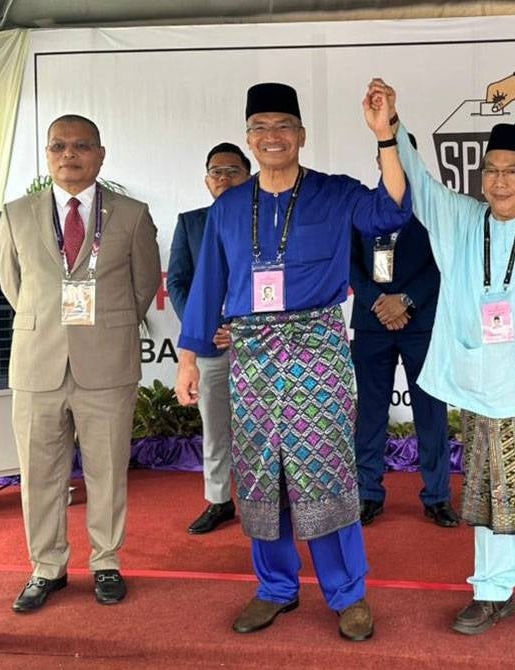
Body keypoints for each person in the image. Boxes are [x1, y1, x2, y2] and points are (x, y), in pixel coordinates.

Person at [365, 77, 515, 643]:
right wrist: (389, 129)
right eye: (492, 171)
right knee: (484, 489)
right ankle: (493, 591)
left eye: (513, 172)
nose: (500, 181)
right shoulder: (459, 217)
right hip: (480, 383)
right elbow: (418, 182)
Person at [174, 82, 411, 641]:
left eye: (283, 126)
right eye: (260, 128)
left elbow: (392, 209)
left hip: (317, 353)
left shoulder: (334, 193)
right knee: (262, 476)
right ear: (249, 139)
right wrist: (187, 359)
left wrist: (385, 135)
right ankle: (275, 588)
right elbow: (207, 287)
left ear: (301, 135)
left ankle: (347, 593)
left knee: (324, 470)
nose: (272, 136)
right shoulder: (229, 207)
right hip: (252, 358)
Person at [0, 114, 161, 612]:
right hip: (37, 363)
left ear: (100, 155)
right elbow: (13, 286)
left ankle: (106, 561)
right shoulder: (17, 214)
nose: (70, 154)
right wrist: (51, 324)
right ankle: (47, 567)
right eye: (59, 146)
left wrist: (102, 329)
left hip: (107, 364)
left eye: (82, 145)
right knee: (39, 473)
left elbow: (143, 286)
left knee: (107, 470)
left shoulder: (131, 215)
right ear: (48, 155)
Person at [349, 134, 458, 529]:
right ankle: (368, 493)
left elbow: (444, 264)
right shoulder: (361, 205)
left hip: (420, 323)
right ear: (379, 160)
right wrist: (379, 301)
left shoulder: (433, 208)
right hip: (372, 322)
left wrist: (406, 301)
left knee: (430, 412)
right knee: (370, 412)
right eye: (387, 156)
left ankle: (437, 496)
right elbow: (348, 263)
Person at [167, 142, 251, 535]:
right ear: (206, 180)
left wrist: (240, 326)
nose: (224, 178)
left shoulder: (265, 221)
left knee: (262, 428)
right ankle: (219, 500)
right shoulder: (191, 223)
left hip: (257, 344)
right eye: (216, 171)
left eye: (233, 171)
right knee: (216, 429)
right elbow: (178, 282)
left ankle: (265, 499)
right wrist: (205, 326)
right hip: (210, 345)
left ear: (248, 177)